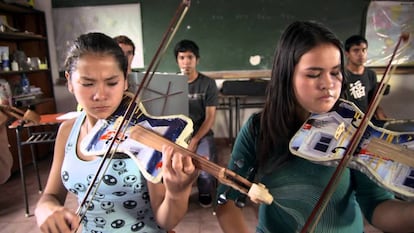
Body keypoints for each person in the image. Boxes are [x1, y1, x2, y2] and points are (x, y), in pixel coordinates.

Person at [215, 21, 414, 233]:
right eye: (313, 74)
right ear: (287, 76)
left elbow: (377, 204)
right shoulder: (259, 128)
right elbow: (226, 202)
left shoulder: (354, 129)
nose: (328, 84)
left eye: (335, 72)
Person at [35, 32, 197, 233]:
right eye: (87, 83)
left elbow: (166, 221)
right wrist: (45, 209)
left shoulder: (144, 133)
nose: (100, 95)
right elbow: (50, 195)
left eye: (112, 83)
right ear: (69, 81)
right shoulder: (68, 131)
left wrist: (177, 194)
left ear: (125, 81)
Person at [173, 39, 219, 208]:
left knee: (205, 171)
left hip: (201, 133)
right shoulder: (171, 84)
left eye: (190, 57)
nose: (186, 62)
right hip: (177, 134)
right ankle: (176, 196)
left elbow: (210, 117)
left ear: (197, 60)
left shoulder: (208, 84)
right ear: (177, 61)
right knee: (168, 167)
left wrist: (195, 140)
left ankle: (205, 192)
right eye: (182, 57)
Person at [344, 35, 387, 121]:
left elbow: (373, 102)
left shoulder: (371, 74)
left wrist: (381, 118)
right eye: (356, 50)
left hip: (366, 120)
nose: (361, 54)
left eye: (364, 50)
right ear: (347, 54)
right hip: (347, 120)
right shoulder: (341, 74)